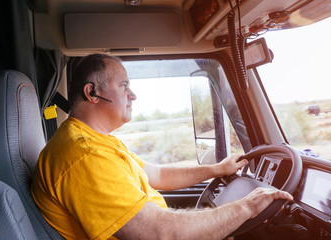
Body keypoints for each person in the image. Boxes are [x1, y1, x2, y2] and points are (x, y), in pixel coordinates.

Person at [31, 54, 293, 240]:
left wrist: (218, 169)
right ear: (92, 93)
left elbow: (158, 176)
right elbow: (161, 233)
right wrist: (245, 207)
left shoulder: (96, 141)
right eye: (124, 86)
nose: (132, 95)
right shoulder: (84, 155)